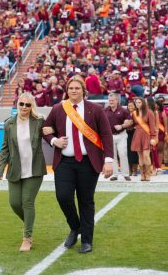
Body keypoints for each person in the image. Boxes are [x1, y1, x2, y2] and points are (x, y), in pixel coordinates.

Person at [42, 76, 113, 254]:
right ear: (67, 90)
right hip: (65, 162)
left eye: (77, 88)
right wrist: (54, 141)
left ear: (83, 90)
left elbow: (106, 135)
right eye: (71, 88)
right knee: (63, 196)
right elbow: (45, 129)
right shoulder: (58, 108)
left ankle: (87, 241)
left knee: (86, 201)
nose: (74, 91)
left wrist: (109, 160)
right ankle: (75, 227)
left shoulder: (95, 109)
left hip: (88, 163)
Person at [0, 92, 48, 252]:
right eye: (21, 104)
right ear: (17, 105)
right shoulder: (9, 123)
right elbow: (5, 148)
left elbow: (50, 134)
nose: (24, 107)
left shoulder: (39, 121)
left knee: (27, 202)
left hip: (34, 169)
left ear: (32, 106)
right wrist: (0, 168)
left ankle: (27, 238)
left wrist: (55, 138)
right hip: (15, 169)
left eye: (27, 105)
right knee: (14, 203)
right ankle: (28, 223)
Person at [105, 93, 133, 181]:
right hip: (109, 136)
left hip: (121, 135)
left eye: (113, 100)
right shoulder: (105, 110)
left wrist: (122, 126)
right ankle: (114, 174)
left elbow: (130, 122)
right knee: (112, 155)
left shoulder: (123, 110)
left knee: (123, 154)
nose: (111, 102)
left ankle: (125, 174)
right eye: (110, 100)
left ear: (117, 100)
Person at [131, 97, 158, 181]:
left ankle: (148, 174)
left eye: (139, 102)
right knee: (140, 156)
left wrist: (153, 137)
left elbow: (152, 126)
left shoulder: (149, 112)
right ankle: (142, 174)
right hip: (138, 134)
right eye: (136, 103)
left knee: (146, 155)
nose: (137, 104)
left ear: (143, 103)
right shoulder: (135, 113)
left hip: (147, 135)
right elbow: (133, 124)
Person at [126, 100, 139, 176]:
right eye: (129, 106)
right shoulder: (125, 114)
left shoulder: (137, 113)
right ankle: (129, 170)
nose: (130, 107)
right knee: (128, 152)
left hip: (135, 134)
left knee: (134, 152)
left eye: (132, 105)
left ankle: (135, 170)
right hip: (127, 135)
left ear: (135, 106)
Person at [155, 99, 168, 169]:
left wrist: (166, 135)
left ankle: (159, 166)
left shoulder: (163, 113)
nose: (155, 105)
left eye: (156, 104)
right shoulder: (152, 112)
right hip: (153, 134)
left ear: (159, 105)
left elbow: (166, 125)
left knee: (160, 150)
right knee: (154, 151)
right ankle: (154, 166)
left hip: (161, 134)